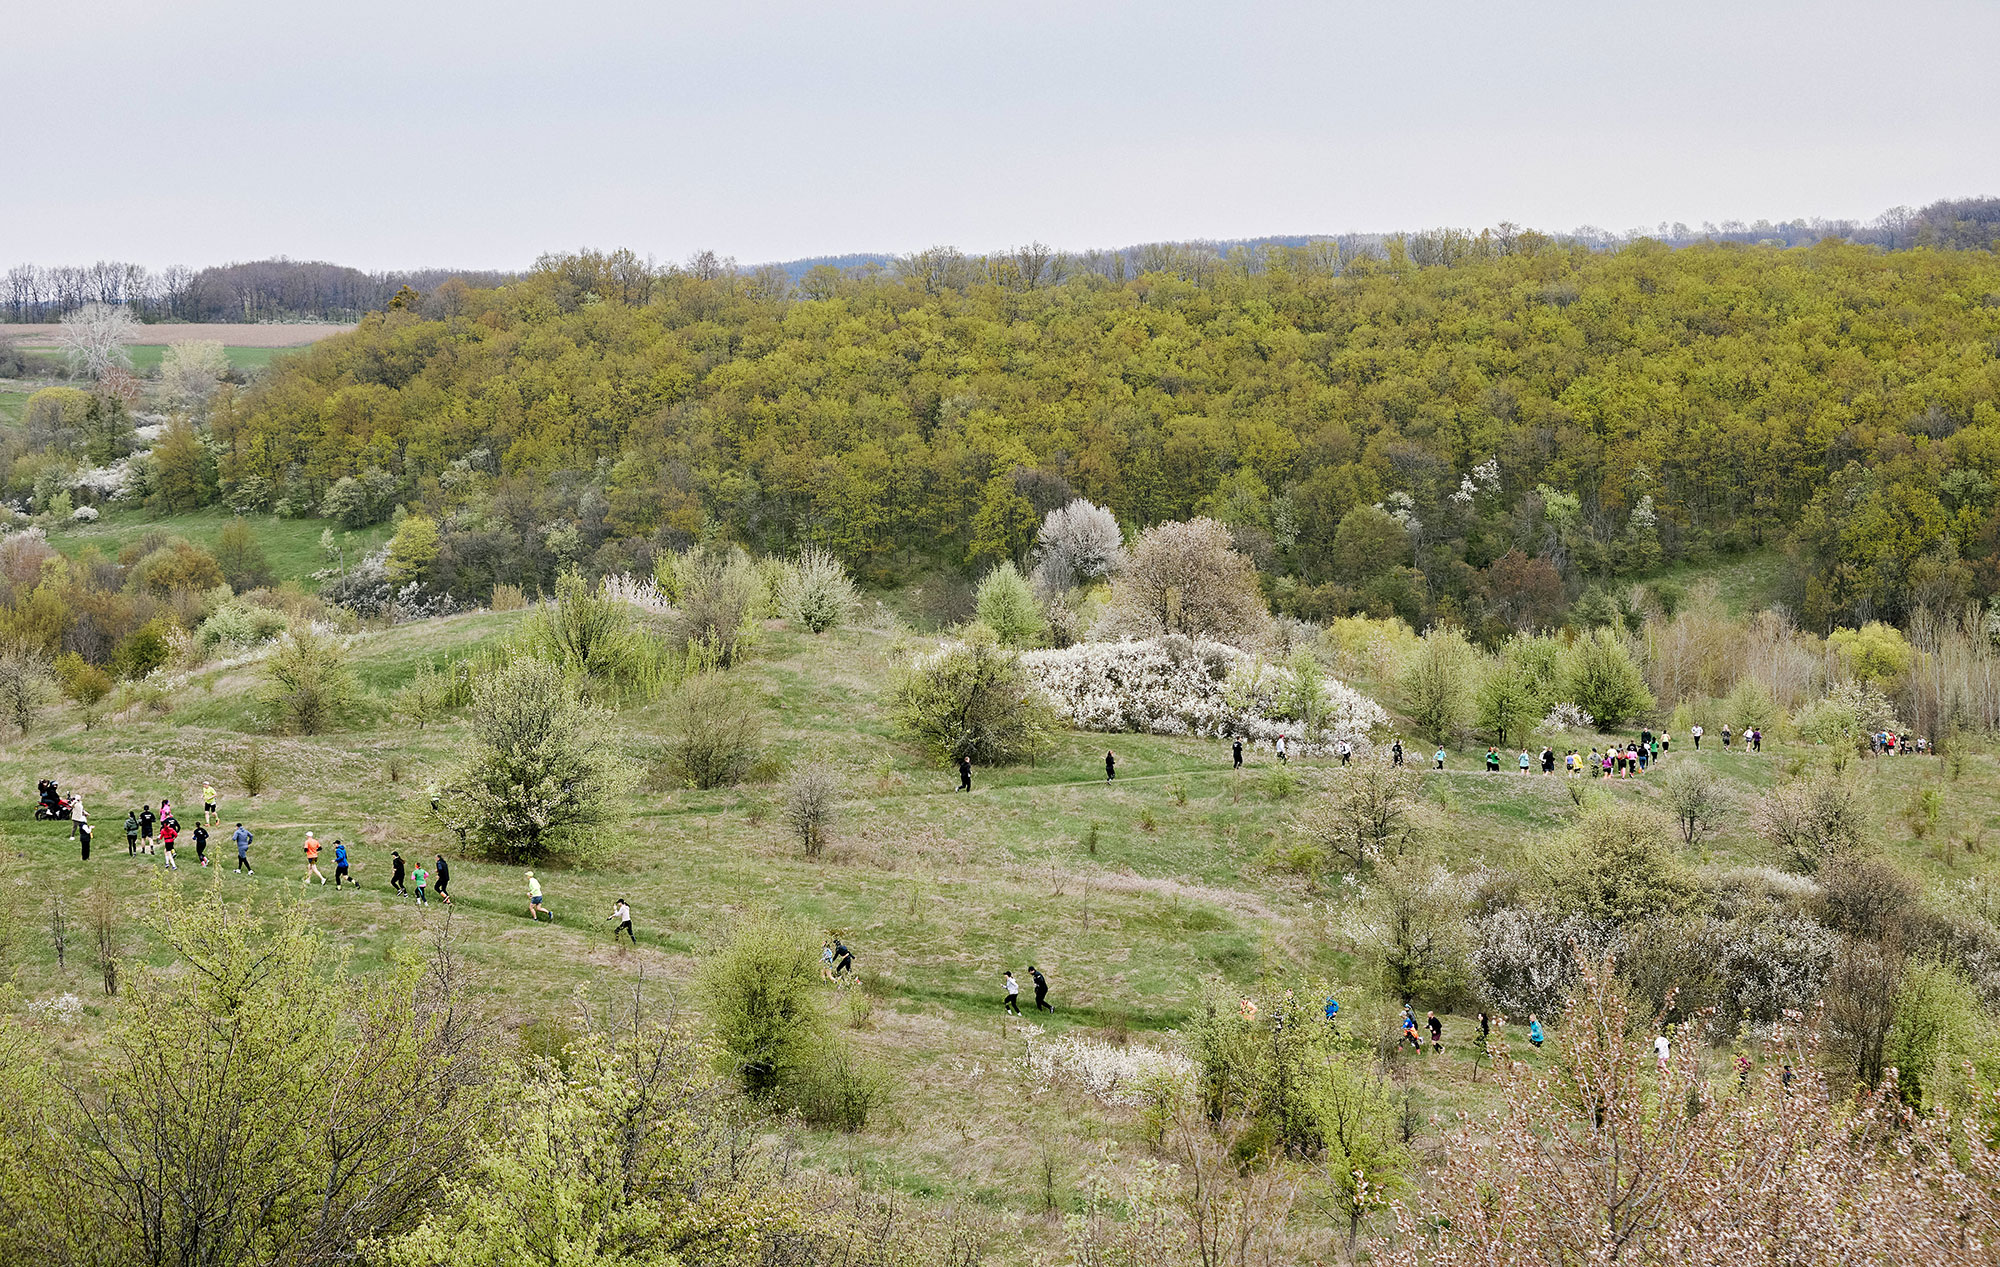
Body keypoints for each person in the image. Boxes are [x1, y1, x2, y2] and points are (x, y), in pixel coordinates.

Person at [72, 797, 91, 861]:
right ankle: (86, 857)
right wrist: (90, 828)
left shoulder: (81, 825)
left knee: (84, 848)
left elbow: (82, 811)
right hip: (85, 838)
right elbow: (88, 831)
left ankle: (84, 857)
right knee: (86, 848)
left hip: (83, 838)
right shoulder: (84, 825)